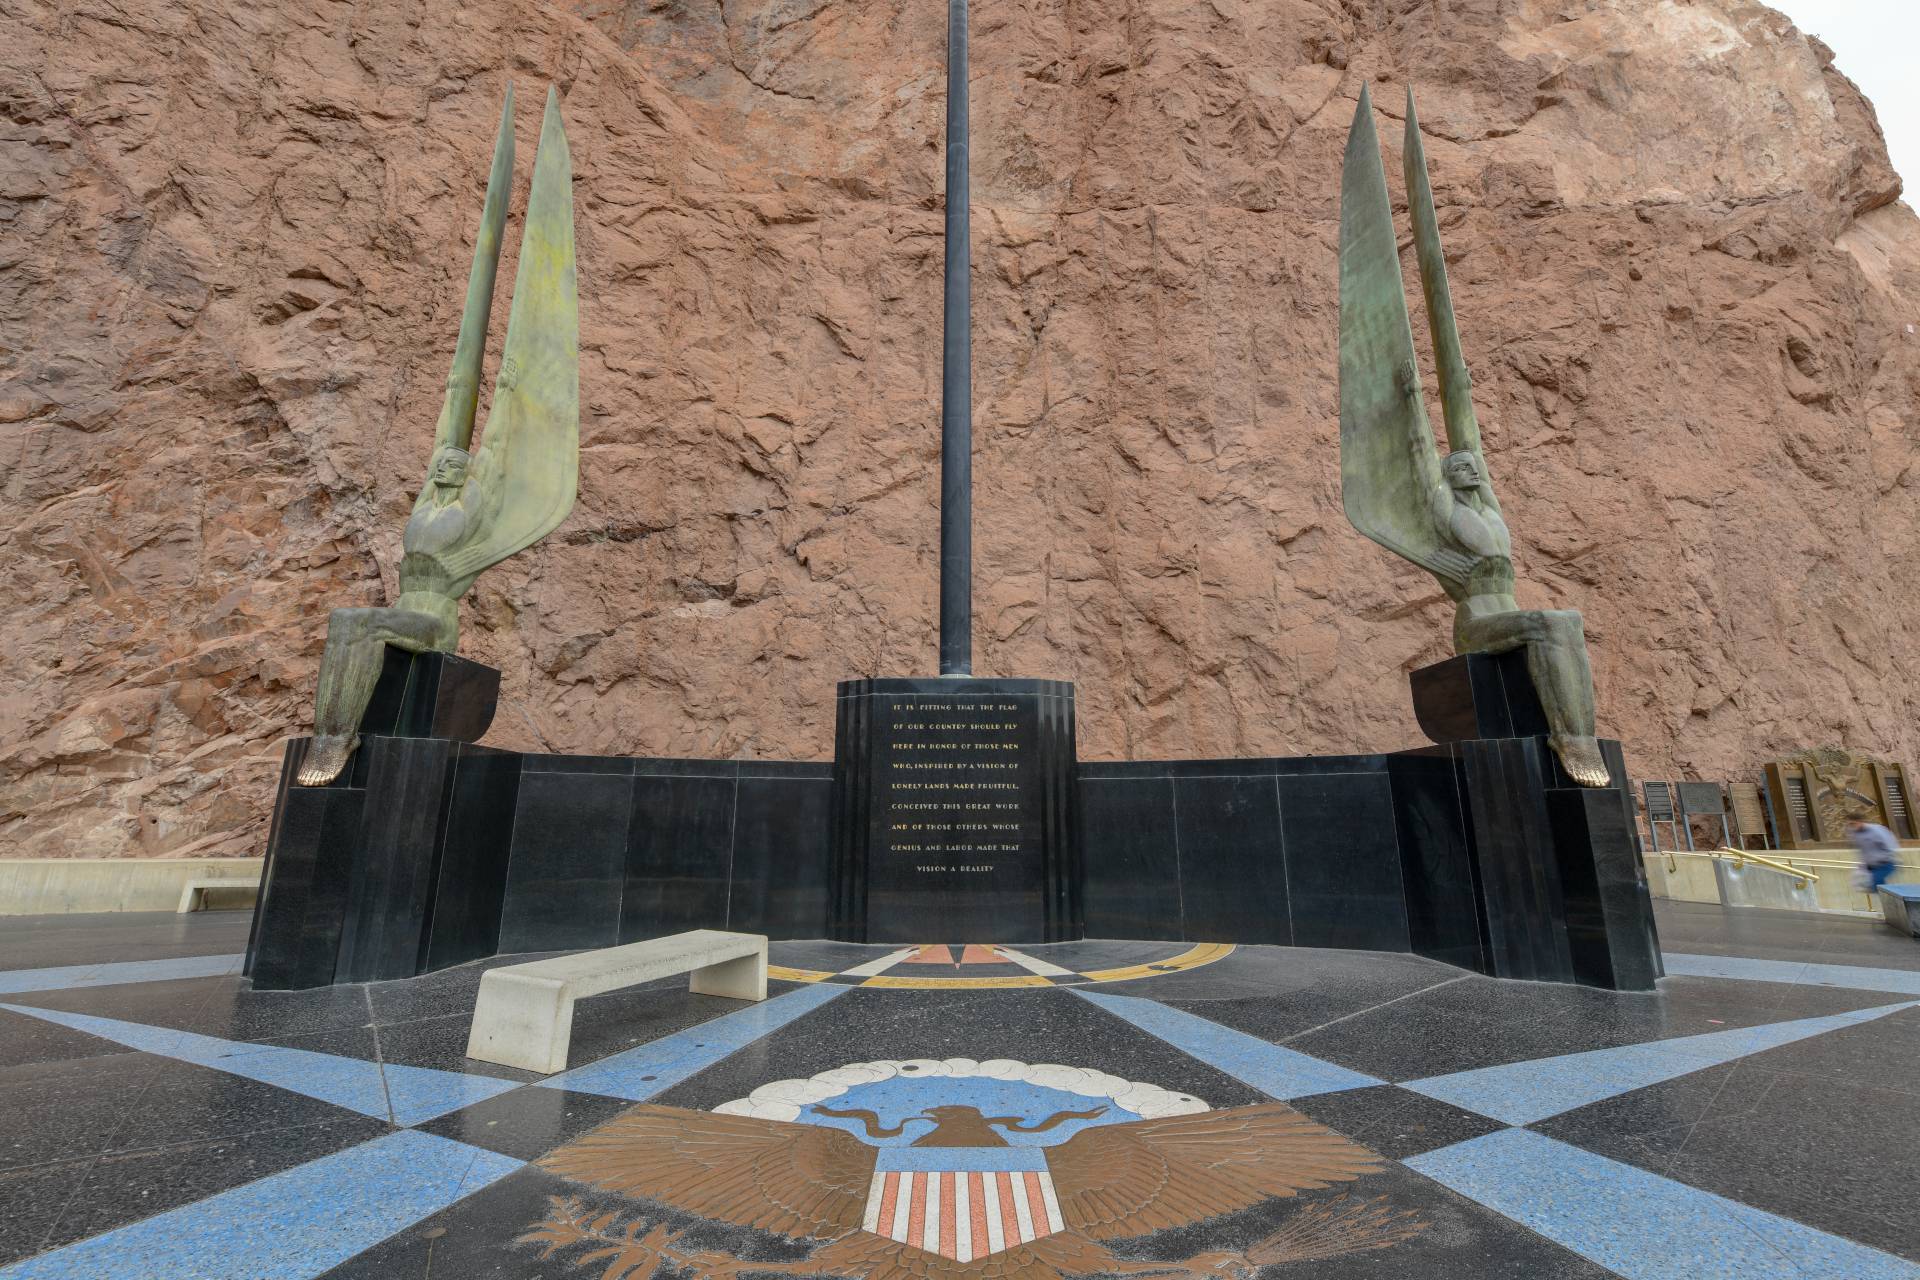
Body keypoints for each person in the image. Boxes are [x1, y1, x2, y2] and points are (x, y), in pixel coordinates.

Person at [1847, 816, 1900, 895]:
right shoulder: (1855, 834)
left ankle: (1891, 900)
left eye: (1853, 824)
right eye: (1850, 824)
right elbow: (1862, 850)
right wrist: (1862, 864)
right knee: (1872, 886)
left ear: (1860, 822)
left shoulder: (1876, 830)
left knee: (1878, 886)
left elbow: (1891, 844)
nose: (1852, 826)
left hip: (1884, 863)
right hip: (1870, 866)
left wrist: (1886, 856)